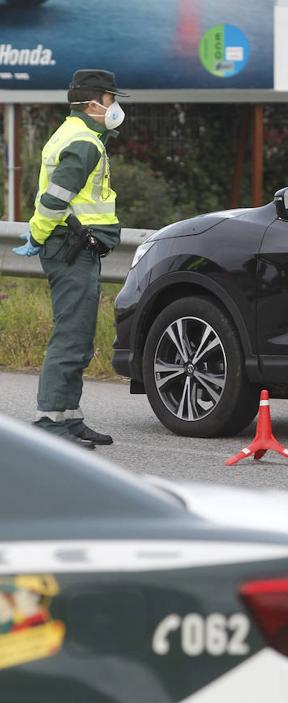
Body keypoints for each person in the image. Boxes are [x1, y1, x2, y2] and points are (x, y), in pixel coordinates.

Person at [12, 69, 127, 449]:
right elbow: (54, 199)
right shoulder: (84, 143)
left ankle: (69, 418)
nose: (115, 105)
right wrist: (39, 235)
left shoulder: (79, 135)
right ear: (94, 102)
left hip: (76, 248)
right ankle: (50, 422)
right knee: (70, 337)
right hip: (70, 248)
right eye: (111, 98)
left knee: (80, 337)